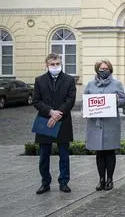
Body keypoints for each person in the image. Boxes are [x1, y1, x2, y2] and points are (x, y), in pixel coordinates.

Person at [33, 53, 76, 194]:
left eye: (57, 63)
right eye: (52, 64)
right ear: (47, 65)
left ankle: (64, 182)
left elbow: (70, 100)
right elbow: (36, 101)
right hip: (45, 121)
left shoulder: (69, 80)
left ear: (61, 64)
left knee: (64, 154)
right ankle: (45, 182)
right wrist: (50, 112)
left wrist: (58, 114)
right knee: (44, 155)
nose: (55, 66)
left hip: (63, 121)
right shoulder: (39, 80)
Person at [84, 59, 125, 191]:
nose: (103, 71)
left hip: (111, 123)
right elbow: (86, 103)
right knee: (99, 153)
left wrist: (115, 100)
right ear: (97, 70)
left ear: (110, 70)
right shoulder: (90, 85)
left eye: (106, 68)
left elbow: (123, 101)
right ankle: (101, 179)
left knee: (109, 152)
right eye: (101, 69)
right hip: (95, 123)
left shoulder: (117, 84)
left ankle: (110, 179)